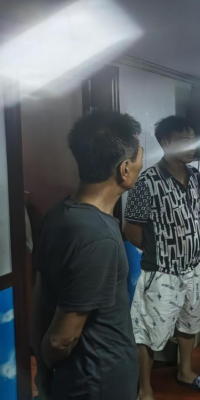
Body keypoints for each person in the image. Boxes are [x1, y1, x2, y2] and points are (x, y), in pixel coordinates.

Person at [30, 111, 143, 399]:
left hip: (77, 379)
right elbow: (62, 339)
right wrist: (48, 369)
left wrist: (43, 370)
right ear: (124, 169)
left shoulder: (59, 214)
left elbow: (39, 296)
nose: (142, 164)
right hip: (98, 383)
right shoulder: (98, 237)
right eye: (140, 157)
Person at [123, 115, 200, 398]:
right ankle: (145, 389)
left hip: (194, 267)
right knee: (149, 330)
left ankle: (185, 371)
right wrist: (159, 251)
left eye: (193, 139)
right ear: (165, 143)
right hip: (161, 272)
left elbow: (198, 211)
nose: (192, 146)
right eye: (184, 140)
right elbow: (131, 229)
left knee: (190, 322)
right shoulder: (147, 181)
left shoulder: (195, 175)